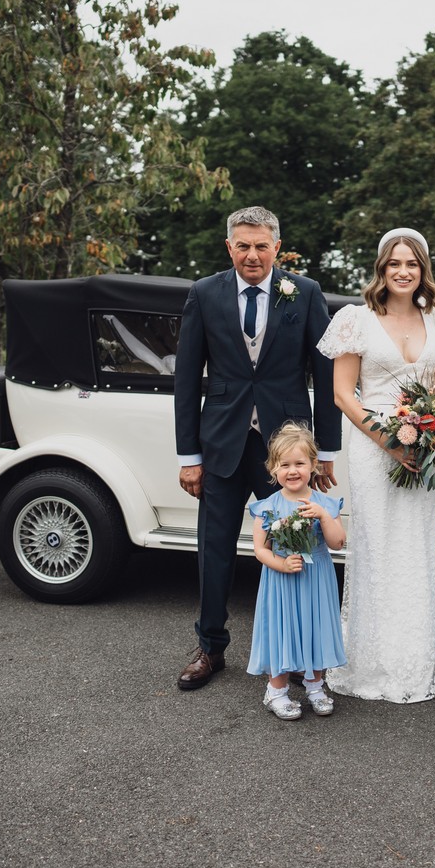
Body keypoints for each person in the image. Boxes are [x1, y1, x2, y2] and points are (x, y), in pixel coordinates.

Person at [173, 206, 342, 691]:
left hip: (286, 450)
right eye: (242, 245)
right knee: (215, 549)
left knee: (296, 547)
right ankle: (210, 648)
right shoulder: (205, 294)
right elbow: (186, 379)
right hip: (222, 441)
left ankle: (296, 655)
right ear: (230, 247)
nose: (252, 254)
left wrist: (325, 451)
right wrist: (190, 457)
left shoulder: (305, 293)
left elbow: (325, 372)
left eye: (261, 245)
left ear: (276, 247)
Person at [317, 228, 435, 703]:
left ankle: (412, 662)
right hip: (373, 447)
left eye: (412, 264)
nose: (403, 271)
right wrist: (389, 441)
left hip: (426, 450)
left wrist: (433, 430)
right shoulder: (356, 319)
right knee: (376, 549)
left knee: (420, 550)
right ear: (382, 269)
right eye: (394, 263)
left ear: (423, 271)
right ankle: (370, 661)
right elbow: (342, 393)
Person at [247, 423, 348, 720]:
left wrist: (324, 517)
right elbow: (260, 548)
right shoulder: (267, 507)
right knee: (282, 630)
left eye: (300, 463)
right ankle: (276, 691)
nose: (292, 471)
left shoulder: (325, 503)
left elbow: (338, 542)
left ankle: (315, 685)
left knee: (316, 628)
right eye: (284, 464)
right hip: (281, 580)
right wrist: (281, 563)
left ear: (313, 465)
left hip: (316, 578)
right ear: (272, 469)